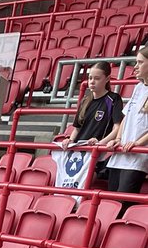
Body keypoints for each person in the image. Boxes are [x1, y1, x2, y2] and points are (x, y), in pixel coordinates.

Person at [103, 45, 148, 197]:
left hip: (137, 155)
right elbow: (126, 117)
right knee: (111, 201)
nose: (135, 67)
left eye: (140, 62)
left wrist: (138, 143)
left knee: (122, 203)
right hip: (121, 152)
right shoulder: (139, 87)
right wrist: (118, 138)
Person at [58, 61, 122, 151]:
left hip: (97, 151)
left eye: (97, 78)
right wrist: (70, 140)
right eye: (90, 78)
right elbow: (77, 128)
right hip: (79, 150)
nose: (92, 82)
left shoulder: (114, 99)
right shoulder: (85, 100)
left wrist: (100, 143)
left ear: (107, 79)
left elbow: (117, 127)